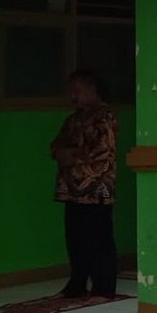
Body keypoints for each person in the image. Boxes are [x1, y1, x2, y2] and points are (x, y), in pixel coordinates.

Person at [51, 69, 118, 299]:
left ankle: (104, 286)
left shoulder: (104, 117)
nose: (73, 97)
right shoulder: (73, 119)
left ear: (91, 90)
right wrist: (62, 153)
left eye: (76, 91)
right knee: (75, 237)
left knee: (99, 238)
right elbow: (56, 145)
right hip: (72, 190)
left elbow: (101, 150)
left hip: (96, 190)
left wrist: (71, 155)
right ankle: (77, 282)